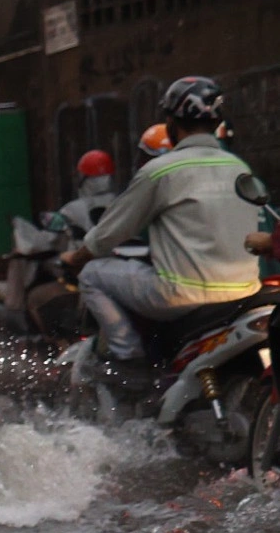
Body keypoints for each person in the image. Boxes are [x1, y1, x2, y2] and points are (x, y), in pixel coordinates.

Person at [62, 78, 265, 387]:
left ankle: (128, 358)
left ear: (170, 122)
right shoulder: (239, 167)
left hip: (181, 294)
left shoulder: (161, 171)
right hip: (244, 292)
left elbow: (107, 235)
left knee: (92, 273)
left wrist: (76, 258)